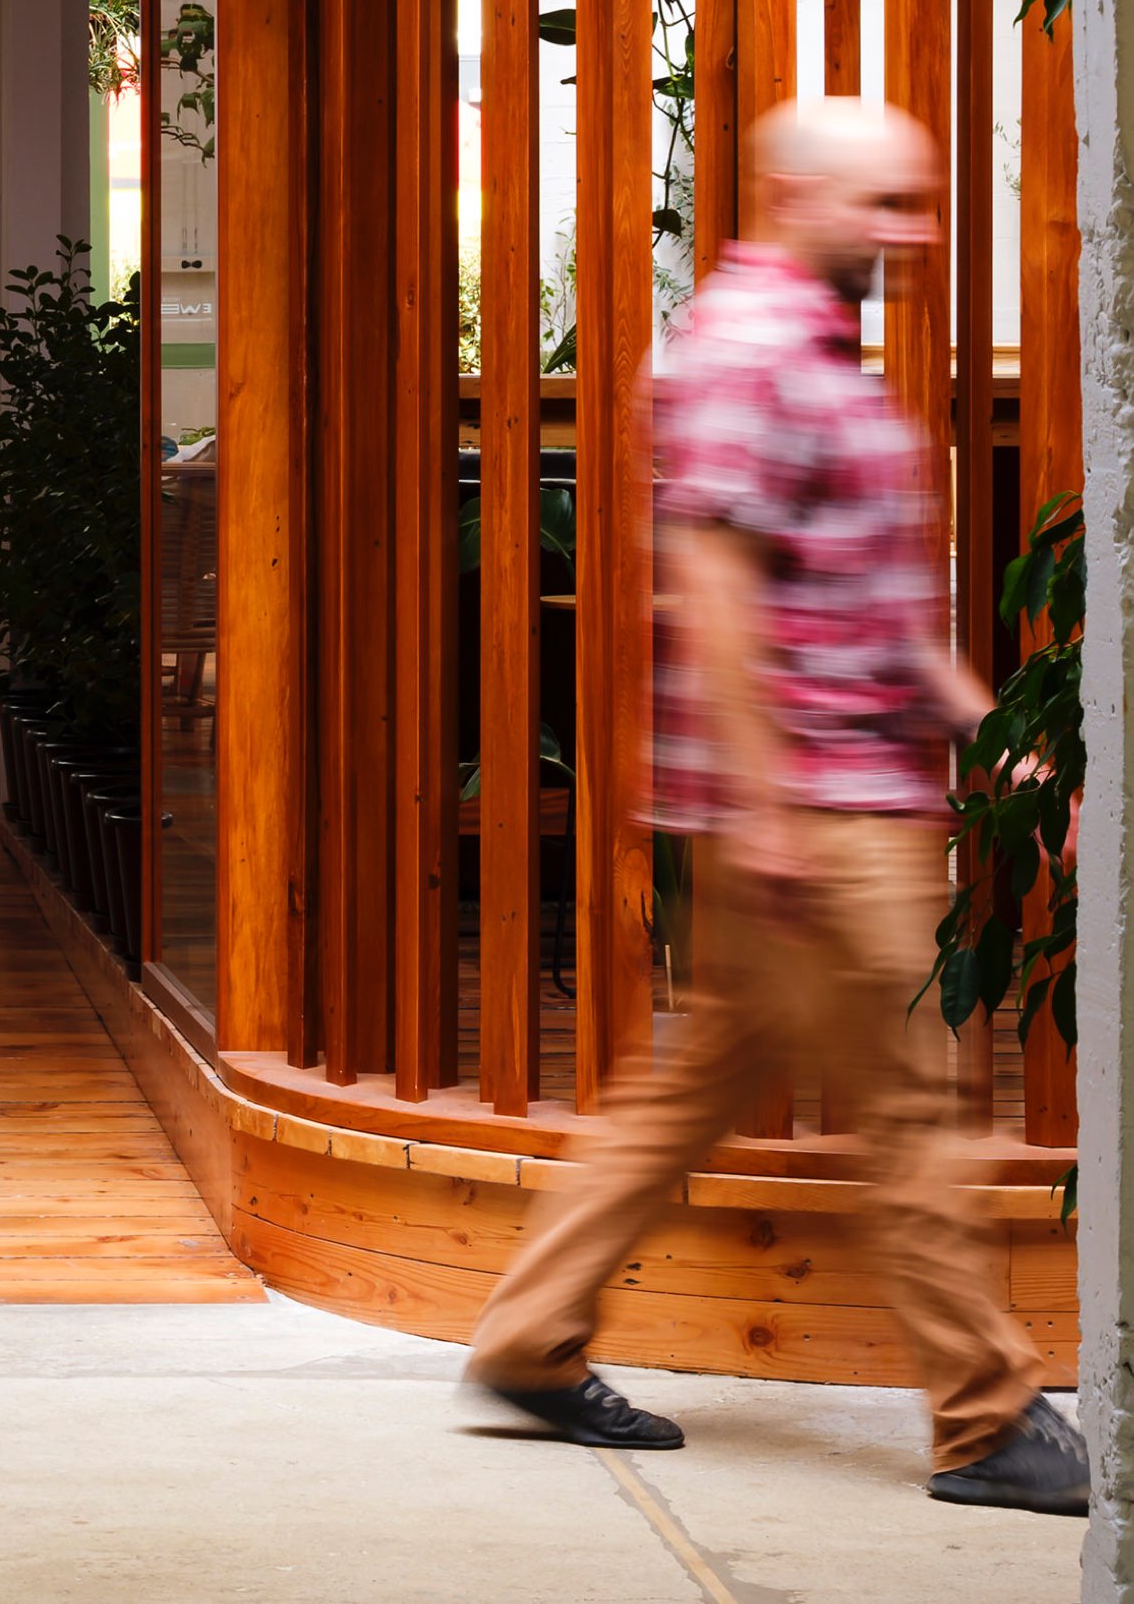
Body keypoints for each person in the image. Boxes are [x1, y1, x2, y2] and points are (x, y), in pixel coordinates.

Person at [461, 96, 1088, 1519]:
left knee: (684, 1090)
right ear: (797, 191)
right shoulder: (750, 351)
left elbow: (874, 604)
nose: (914, 230)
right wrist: (774, 812)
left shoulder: (818, 356)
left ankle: (526, 1340)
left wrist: (998, 738)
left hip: (817, 800)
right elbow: (718, 591)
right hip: (817, 810)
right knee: (916, 1109)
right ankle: (987, 1413)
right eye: (888, 203)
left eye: (920, 202)